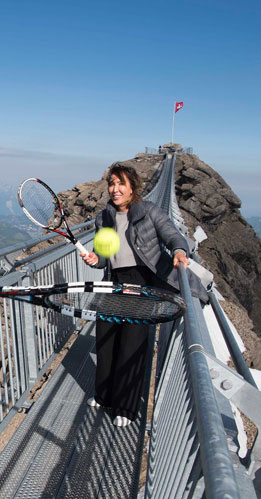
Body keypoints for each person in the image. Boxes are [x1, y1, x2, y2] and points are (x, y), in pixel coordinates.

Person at [82, 162, 208, 427]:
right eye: (112, 183)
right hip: (114, 282)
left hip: (141, 282)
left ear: (132, 188)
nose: (115, 189)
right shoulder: (103, 217)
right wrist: (95, 259)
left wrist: (179, 251)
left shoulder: (149, 211)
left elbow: (172, 235)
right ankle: (104, 395)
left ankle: (126, 408)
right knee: (106, 339)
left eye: (121, 184)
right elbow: (105, 256)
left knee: (132, 343)